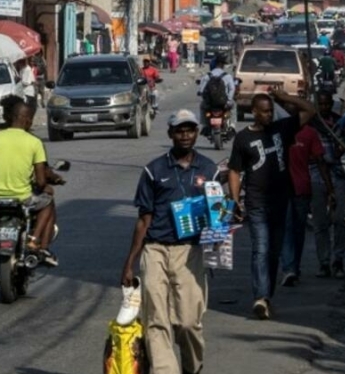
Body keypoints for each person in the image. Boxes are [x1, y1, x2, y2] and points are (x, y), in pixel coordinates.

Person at [120, 110, 217, 374]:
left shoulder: (210, 169)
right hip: (156, 249)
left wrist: (227, 217)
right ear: (170, 134)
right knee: (156, 319)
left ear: (197, 132)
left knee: (188, 322)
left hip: (190, 252)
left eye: (190, 130)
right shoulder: (154, 170)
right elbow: (144, 219)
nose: (185, 135)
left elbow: (219, 212)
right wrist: (130, 263)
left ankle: (192, 368)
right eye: (179, 130)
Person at [226, 89, 314, 320]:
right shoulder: (243, 138)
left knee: (274, 252)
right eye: (264, 112)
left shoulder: (282, 129)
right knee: (260, 249)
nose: (268, 115)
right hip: (256, 203)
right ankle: (260, 297)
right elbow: (235, 170)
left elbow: (309, 110)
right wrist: (234, 200)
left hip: (280, 201)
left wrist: (284, 97)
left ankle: (267, 296)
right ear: (254, 112)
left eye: (270, 111)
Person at [0, 100, 59, 267]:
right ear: (25, 119)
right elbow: (41, 181)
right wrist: (46, 187)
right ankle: (35, 241)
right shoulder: (34, 142)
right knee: (48, 201)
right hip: (23, 198)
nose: (31, 122)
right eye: (30, 118)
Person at [279, 91, 335, 286]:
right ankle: (290, 268)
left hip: (299, 189)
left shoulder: (303, 133)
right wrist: (330, 189)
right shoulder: (287, 131)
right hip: (291, 188)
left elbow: (320, 162)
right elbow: (321, 162)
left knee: (292, 230)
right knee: (293, 230)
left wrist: (329, 188)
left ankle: (291, 267)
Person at [308, 92, 345, 278]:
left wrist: (344, 147)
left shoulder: (338, 122)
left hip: (335, 172)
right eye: (321, 104)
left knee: (339, 219)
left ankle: (338, 260)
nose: (324, 107)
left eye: (327, 104)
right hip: (316, 174)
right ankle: (324, 262)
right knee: (319, 222)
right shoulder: (310, 123)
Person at [196, 54, 235, 138]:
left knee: (202, 106)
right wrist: (229, 99)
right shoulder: (227, 76)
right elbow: (232, 89)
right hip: (223, 103)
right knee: (233, 107)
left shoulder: (207, 76)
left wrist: (202, 95)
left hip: (210, 104)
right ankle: (232, 125)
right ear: (223, 65)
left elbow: (202, 90)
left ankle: (205, 125)